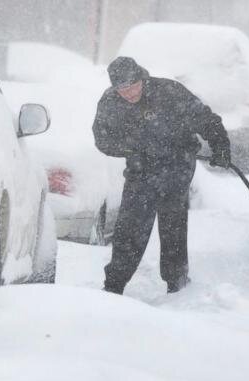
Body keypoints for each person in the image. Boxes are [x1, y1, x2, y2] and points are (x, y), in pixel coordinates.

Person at [92, 57, 231, 295]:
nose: (129, 93)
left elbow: (205, 118)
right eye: (123, 89)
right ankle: (114, 285)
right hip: (141, 168)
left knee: (173, 222)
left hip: (177, 164)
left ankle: (177, 281)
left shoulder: (169, 91)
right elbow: (103, 139)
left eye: (133, 86)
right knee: (130, 226)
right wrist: (132, 149)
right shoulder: (110, 102)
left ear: (142, 79)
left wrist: (220, 146)